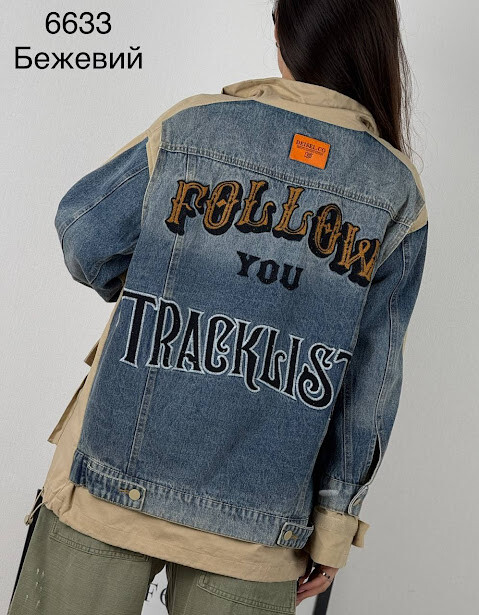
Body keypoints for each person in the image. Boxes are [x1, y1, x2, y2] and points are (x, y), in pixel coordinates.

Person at [9, 1, 429, 613]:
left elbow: (83, 236)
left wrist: (170, 287)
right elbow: (372, 381)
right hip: (259, 528)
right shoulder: (396, 190)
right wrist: (336, 525)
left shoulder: (193, 127)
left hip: (107, 477)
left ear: (282, 33)